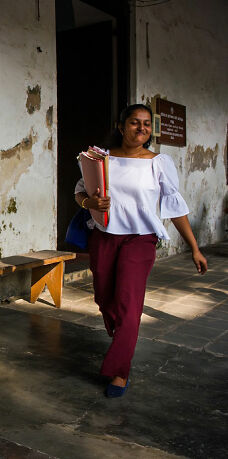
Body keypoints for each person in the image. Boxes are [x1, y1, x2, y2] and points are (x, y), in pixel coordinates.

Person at [74, 104, 208, 398]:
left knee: (128, 303)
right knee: (104, 299)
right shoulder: (102, 159)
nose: (142, 128)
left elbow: (174, 207)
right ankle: (124, 339)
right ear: (121, 126)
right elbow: (80, 191)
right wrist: (89, 204)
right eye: (135, 122)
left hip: (140, 240)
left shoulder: (158, 162)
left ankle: (120, 371)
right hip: (104, 237)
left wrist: (194, 248)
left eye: (147, 124)